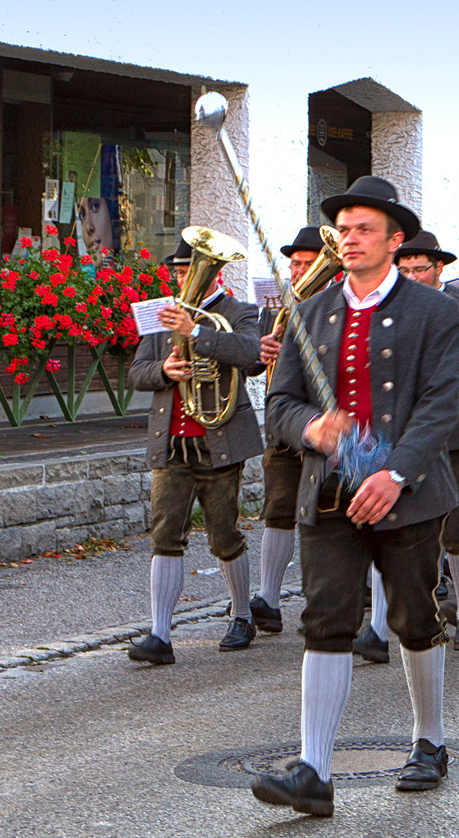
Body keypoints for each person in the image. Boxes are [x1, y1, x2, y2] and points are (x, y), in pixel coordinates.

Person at [253, 176, 459, 813]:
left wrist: (395, 471)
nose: (349, 239)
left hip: (408, 488)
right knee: (326, 619)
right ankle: (313, 770)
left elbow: (441, 403)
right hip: (328, 491)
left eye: (363, 228)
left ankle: (429, 740)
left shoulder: (436, 311)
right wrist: (310, 428)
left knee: (413, 618)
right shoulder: (310, 310)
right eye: (342, 229)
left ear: (395, 241)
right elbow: (281, 403)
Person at [126, 235, 263, 665]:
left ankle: (242, 615)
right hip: (171, 442)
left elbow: (251, 354)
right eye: (181, 272)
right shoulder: (161, 313)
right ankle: (160, 634)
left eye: (190, 271)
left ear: (214, 272)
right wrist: (164, 370)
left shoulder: (239, 312)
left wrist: (197, 332)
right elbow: (136, 373)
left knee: (224, 534)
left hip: (218, 439)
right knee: (165, 535)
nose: (184, 278)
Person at [383, 230, 459, 660]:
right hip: (400, 434)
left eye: (418, 269)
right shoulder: (390, 308)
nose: (411, 277)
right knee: (397, 525)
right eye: (403, 270)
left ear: (439, 268)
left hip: (452, 431)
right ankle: (390, 621)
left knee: (456, 524)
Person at [249, 226, 335, 637]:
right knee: (278, 506)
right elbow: (258, 364)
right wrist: (261, 350)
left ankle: (337, 597)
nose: (298, 270)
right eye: (294, 264)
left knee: (326, 510)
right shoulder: (276, 307)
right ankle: (267, 598)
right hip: (285, 422)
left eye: (306, 263)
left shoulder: (332, 307)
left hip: (323, 422)